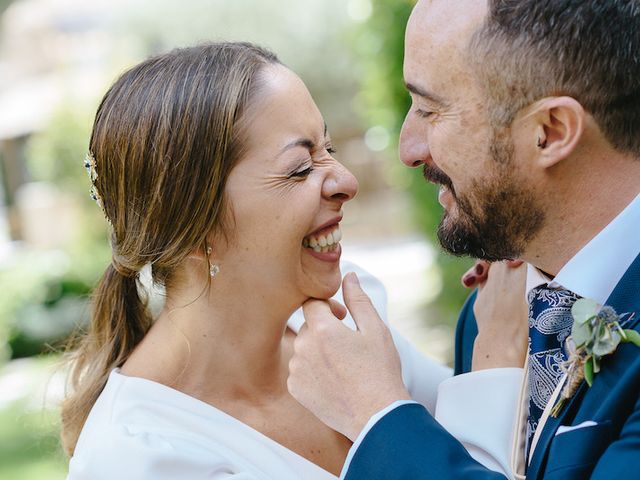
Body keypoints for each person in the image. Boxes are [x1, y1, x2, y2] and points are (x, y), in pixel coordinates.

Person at [62, 42, 527, 479]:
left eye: (330, 150)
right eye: (300, 169)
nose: (345, 181)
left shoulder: (348, 326)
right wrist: (496, 360)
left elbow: (455, 458)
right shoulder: (140, 459)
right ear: (189, 225)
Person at [287, 1, 640, 479]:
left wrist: (375, 418)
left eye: (430, 109)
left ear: (550, 132)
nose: (407, 149)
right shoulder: (492, 314)